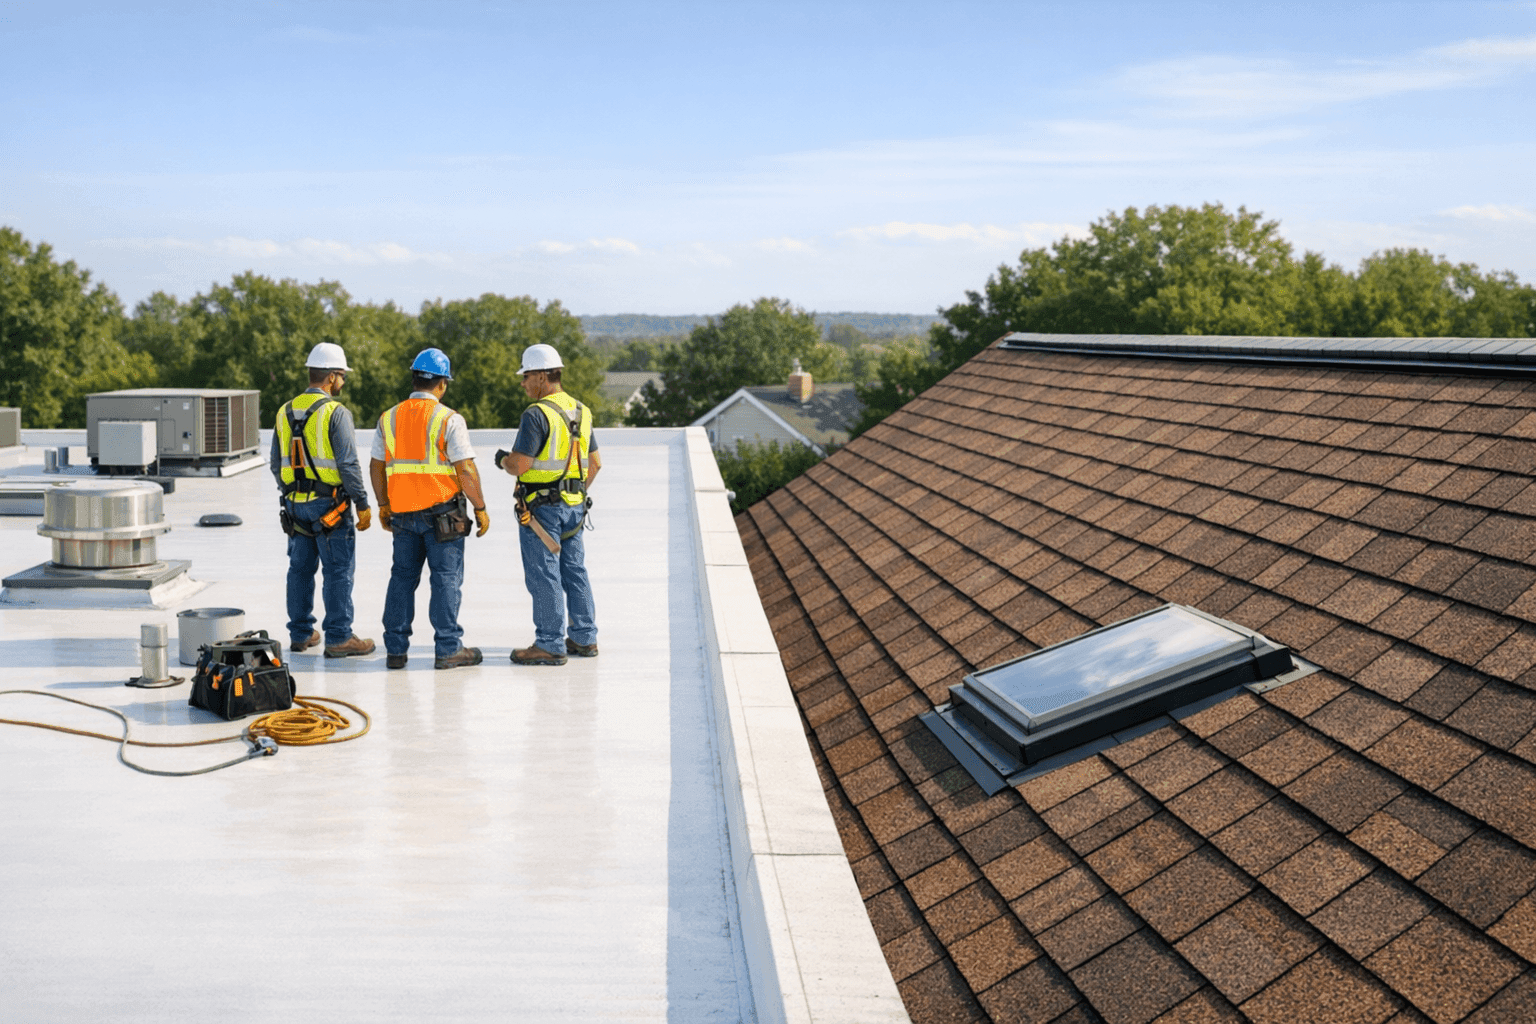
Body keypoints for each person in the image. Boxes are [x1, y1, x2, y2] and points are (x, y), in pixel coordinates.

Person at [369, 348, 489, 670]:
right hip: (443, 516)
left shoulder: (389, 417)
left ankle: (395, 650)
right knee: (445, 579)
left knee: (401, 579)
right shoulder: (449, 419)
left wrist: (383, 505)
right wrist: (480, 508)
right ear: (442, 384)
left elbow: (376, 467)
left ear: (413, 378)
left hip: (402, 515)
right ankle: (448, 649)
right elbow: (465, 470)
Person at [497, 343, 600, 666]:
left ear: (542, 376)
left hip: (543, 511)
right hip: (575, 507)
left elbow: (520, 465)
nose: (523, 383)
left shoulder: (536, 415)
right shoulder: (581, 411)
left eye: (526, 376)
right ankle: (584, 638)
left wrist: (502, 461)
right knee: (574, 572)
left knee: (544, 575)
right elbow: (595, 463)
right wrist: (574, 493)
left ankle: (550, 643)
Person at [271, 342, 376, 657]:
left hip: (295, 506)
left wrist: (290, 494)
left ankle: (302, 634)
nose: (342, 383)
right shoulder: (335, 412)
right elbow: (347, 464)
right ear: (332, 377)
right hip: (330, 505)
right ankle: (339, 637)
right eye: (342, 376)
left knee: (299, 569)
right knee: (338, 570)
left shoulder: (285, 410)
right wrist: (362, 503)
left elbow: (277, 463)